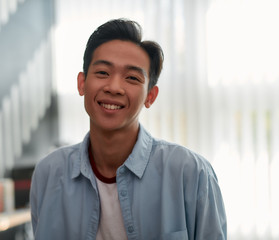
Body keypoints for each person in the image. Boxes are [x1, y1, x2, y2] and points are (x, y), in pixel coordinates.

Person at [30, 18, 227, 240]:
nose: (114, 87)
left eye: (132, 78)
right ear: (81, 83)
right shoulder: (48, 173)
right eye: (103, 72)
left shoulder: (191, 173)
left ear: (150, 96)